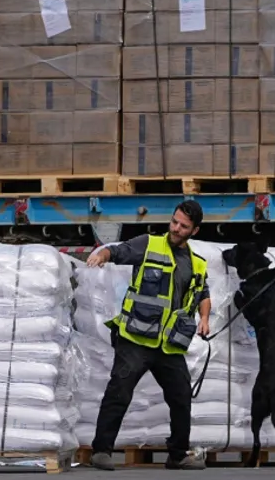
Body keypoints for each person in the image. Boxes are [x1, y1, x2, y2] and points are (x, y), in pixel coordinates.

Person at [85, 199, 211, 471]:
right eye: (175, 222)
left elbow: (203, 293)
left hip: (169, 345)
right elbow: (119, 251)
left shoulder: (197, 264)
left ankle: (177, 455)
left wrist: (204, 318)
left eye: (183, 226)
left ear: (195, 231)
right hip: (136, 339)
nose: (176, 228)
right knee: (119, 391)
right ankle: (101, 451)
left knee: (180, 397)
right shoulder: (149, 244)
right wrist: (101, 256)